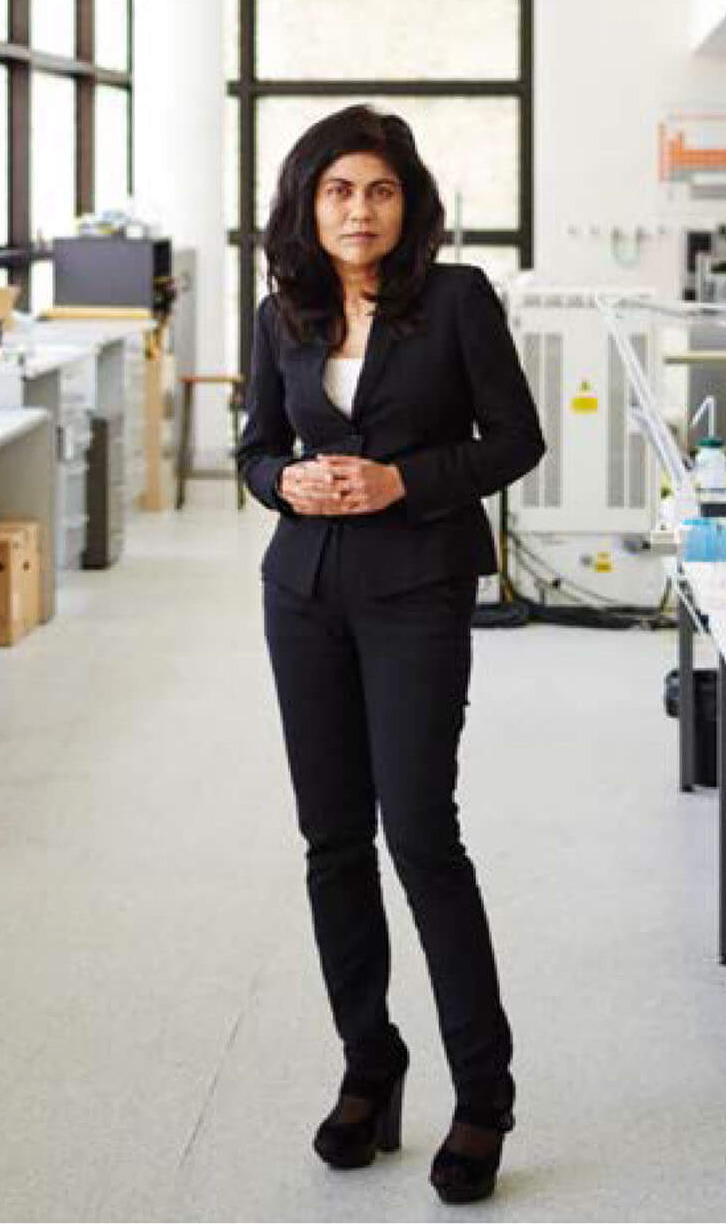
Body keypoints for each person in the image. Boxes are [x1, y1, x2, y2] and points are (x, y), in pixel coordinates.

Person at [237, 104, 545, 1204]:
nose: (356, 210)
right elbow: (256, 444)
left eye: (375, 190)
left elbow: (516, 437)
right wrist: (286, 481)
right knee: (331, 841)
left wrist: (403, 478)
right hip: (303, 593)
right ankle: (370, 1062)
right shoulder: (284, 309)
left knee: (420, 834)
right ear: (305, 205)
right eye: (335, 191)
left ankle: (484, 1096)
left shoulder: (455, 299)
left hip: (414, 591)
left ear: (405, 202)